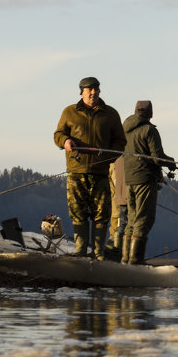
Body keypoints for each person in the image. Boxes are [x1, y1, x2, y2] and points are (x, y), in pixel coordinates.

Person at [54, 77, 126, 259]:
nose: (93, 93)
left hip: (101, 172)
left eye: (96, 90)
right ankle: (80, 251)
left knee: (101, 213)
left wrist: (109, 154)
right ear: (82, 93)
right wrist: (66, 141)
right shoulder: (69, 112)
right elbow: (58, 135)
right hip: (76, 171)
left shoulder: (111, 114)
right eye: (89, 90)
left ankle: (98, 253)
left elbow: (120, 142)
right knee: (77, 211)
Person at [121, 100, 176, 265]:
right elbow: (157, 157)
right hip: (144, 180)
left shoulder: (125, 130)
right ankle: (136, 260)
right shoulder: (149, 130)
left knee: (131, 218)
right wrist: (171, 162)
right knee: (143, 219)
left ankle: (125, 259)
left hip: (128, 179)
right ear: (150, 114)